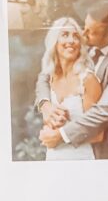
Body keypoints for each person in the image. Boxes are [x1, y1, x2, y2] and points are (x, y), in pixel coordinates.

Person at [36, 1, 108, 159]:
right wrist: (45, 104)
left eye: (91, 32)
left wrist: (60, 136)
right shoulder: (85, 43)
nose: (82, 35)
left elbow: (102, 111)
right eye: (84, 27)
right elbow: (45, 75)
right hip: (75, 147)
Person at [37, 17, 102, 161]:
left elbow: (98, 134)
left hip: (80, 159)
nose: (71, 41)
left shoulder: (87, 80)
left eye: (76, 36)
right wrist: (47, 130)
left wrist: (59, 137)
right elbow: (50, 118)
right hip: (52, 158)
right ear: (54, 42)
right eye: (65, 35)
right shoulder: (50, 78)